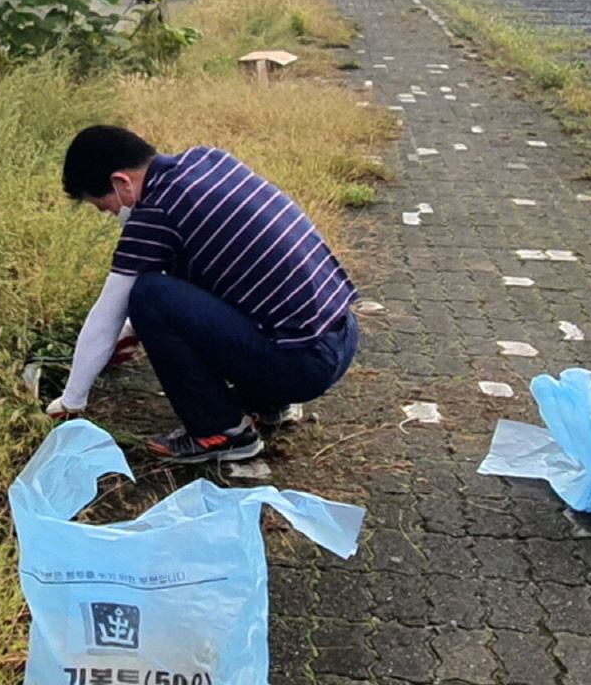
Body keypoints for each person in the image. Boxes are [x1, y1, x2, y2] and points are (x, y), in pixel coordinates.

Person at [50, 125, 359, 464]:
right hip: (338, 337)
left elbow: (107, 316)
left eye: (106, 207)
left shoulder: (154, 214)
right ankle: (269, 403)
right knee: (195, 281)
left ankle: (221, 431)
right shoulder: (208, 161)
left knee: (148, 294)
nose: (114, 217)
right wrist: (131, 334)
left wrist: (71, 401)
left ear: (122, 183)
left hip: (301, 366)